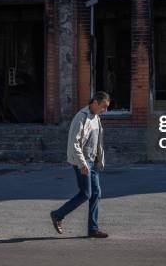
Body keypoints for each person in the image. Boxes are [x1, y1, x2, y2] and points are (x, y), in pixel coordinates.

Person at [50, 91, 110, 238]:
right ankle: (58, 215)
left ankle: (92, 229)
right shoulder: (81, 117)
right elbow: (74, 143)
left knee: (96, 193)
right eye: (103, 106)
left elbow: (97, 141)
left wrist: (99, 160)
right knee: (86, 193)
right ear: (95, 102)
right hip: (82, 161)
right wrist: (82, 163)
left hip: (92, 161)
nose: (105, 110)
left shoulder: (96, 117)